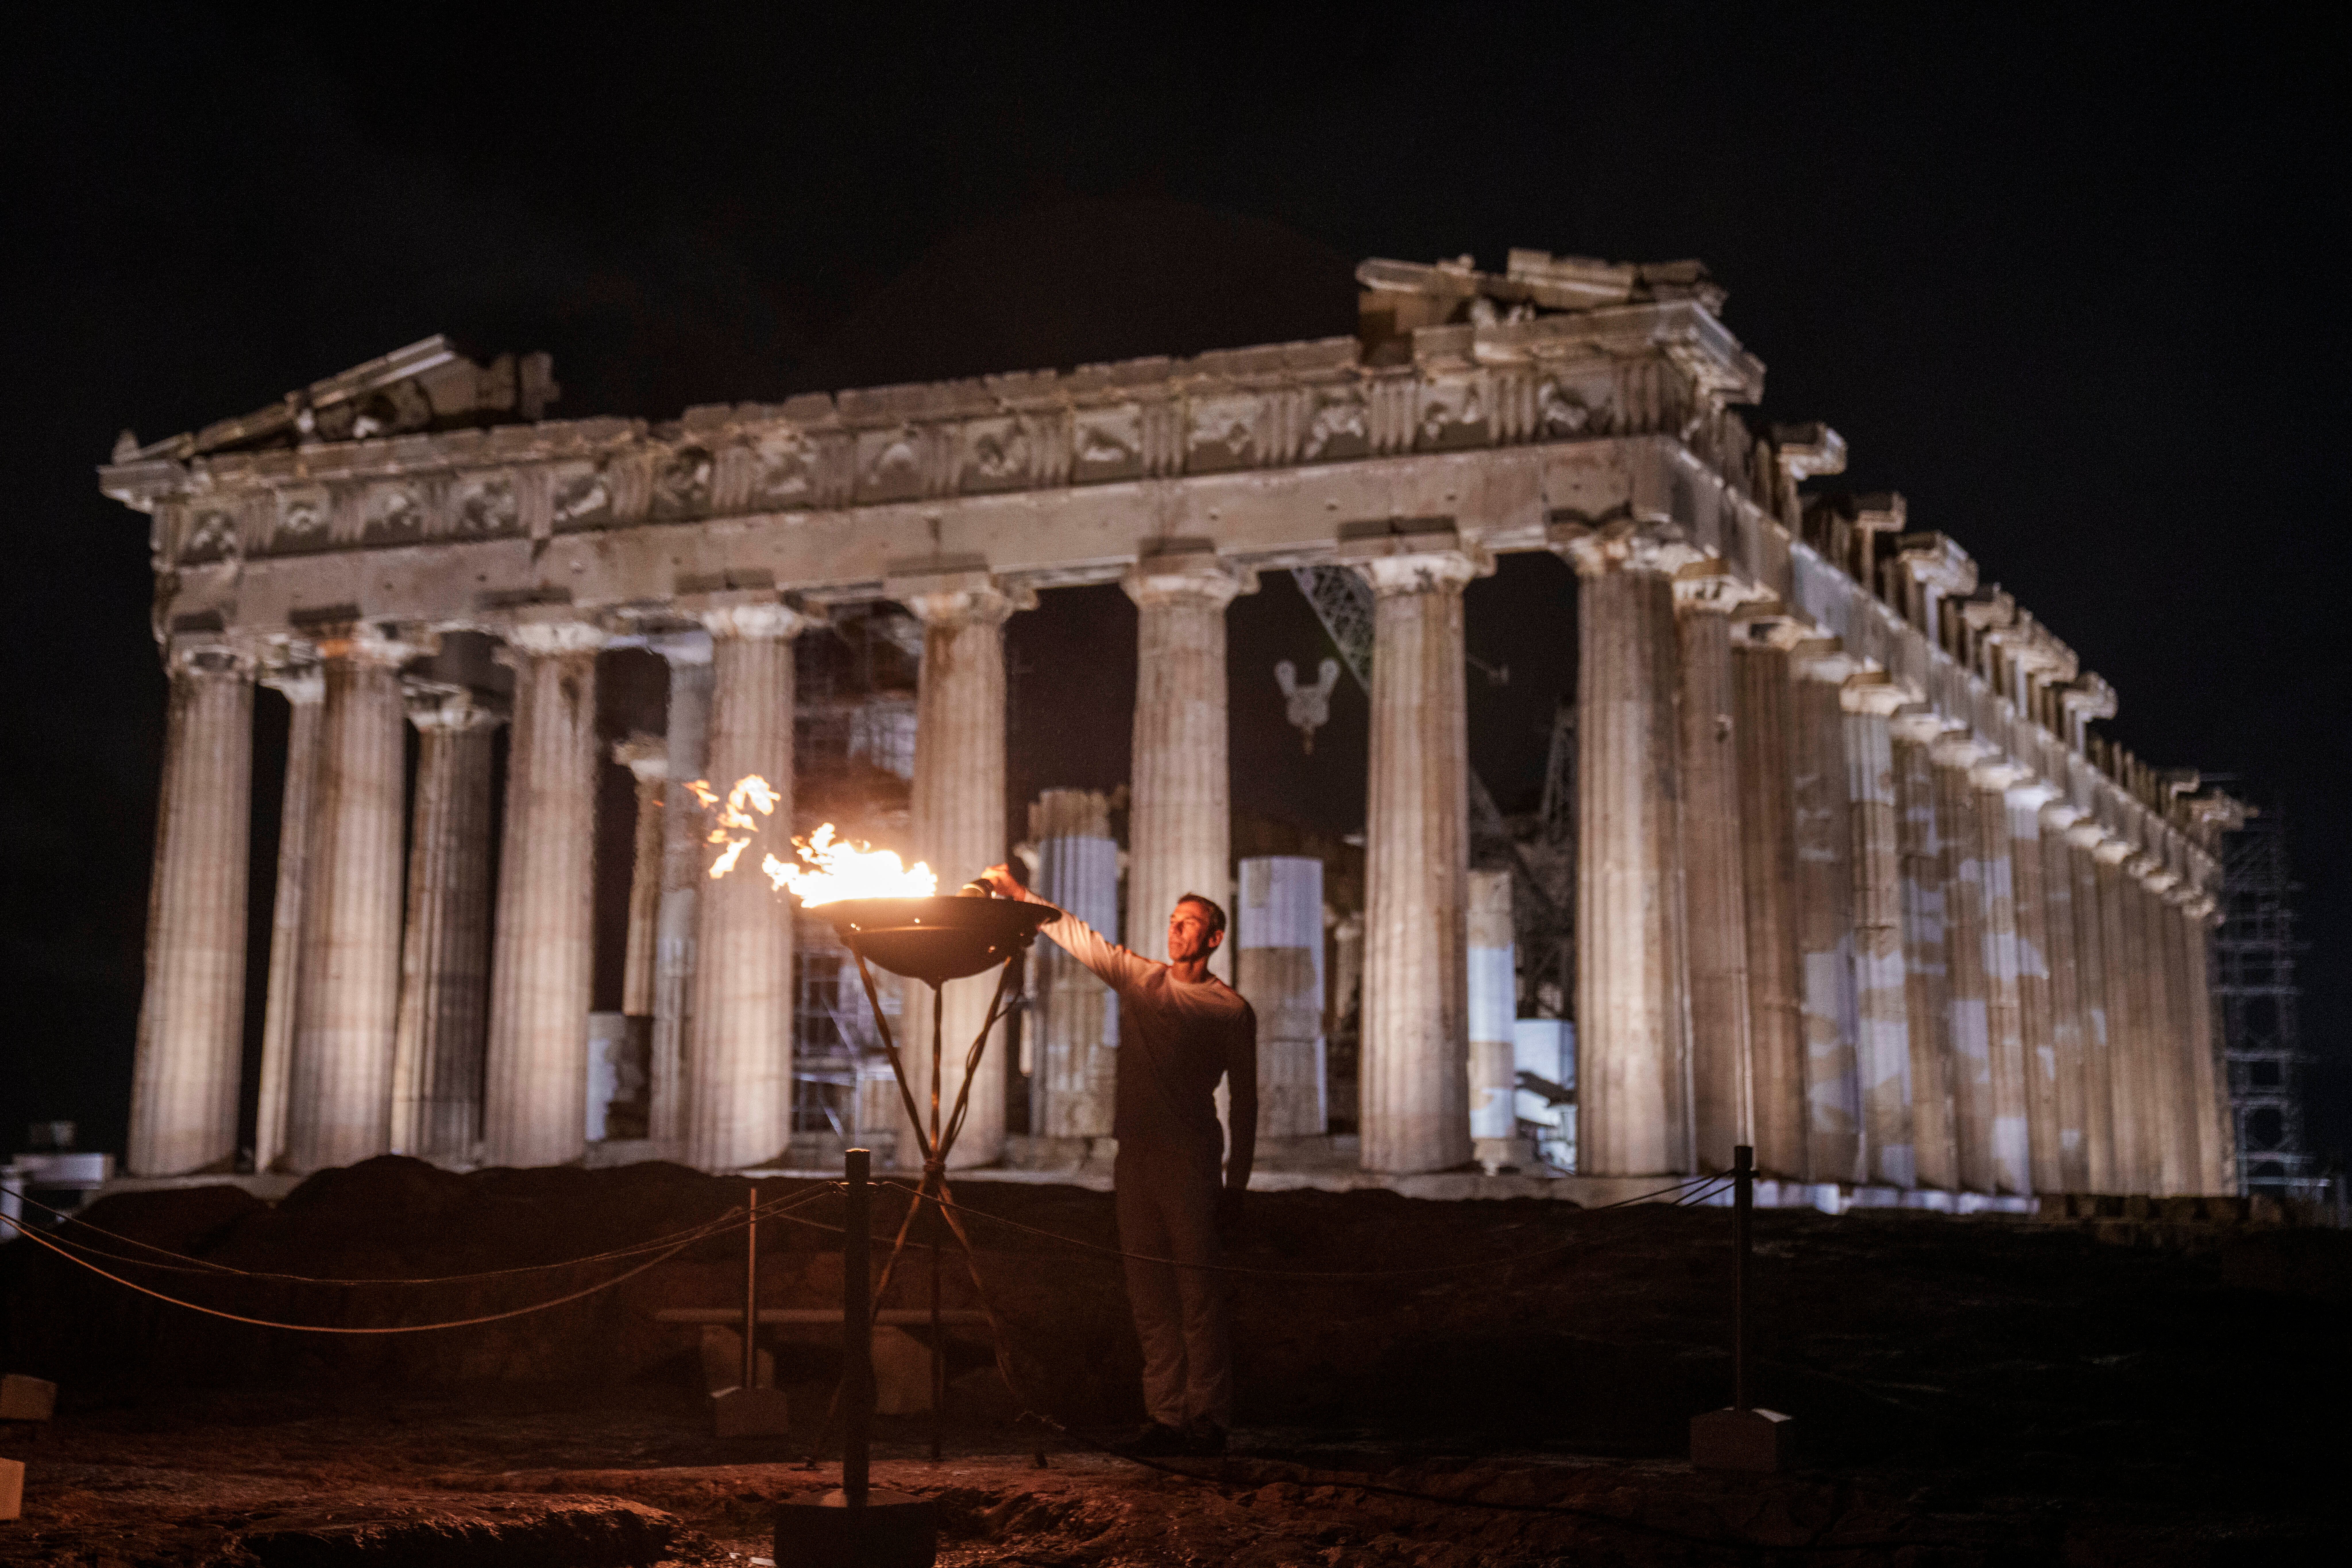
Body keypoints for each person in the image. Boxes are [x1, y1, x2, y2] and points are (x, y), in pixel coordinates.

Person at [979, 863, 1256, 1457]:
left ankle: (1209, 1419)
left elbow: (1248, 1102)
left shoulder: (1230, 1010)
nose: (1176, 931)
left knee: (1198, 1294)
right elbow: (1079, 935)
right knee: (1149, 1293)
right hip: (1137, 1158)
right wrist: (1020, 896)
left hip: (1191, 1159)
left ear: (1214, 938)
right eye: (1174, 921)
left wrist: (1237, 1186)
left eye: (1190, 924)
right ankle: (1166, 1416)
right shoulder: (1140, 980)